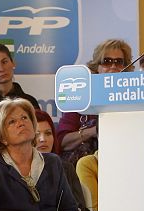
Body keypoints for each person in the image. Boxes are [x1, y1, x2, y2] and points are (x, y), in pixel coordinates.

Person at [56, 39, 133, 167]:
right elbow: (62, 141)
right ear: (97, 67)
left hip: (124, 164)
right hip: (85, 168)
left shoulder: (135, 97)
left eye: (119, 62)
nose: (113, 67)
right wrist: (93, 131)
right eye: (107, 62)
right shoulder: (81, 96)